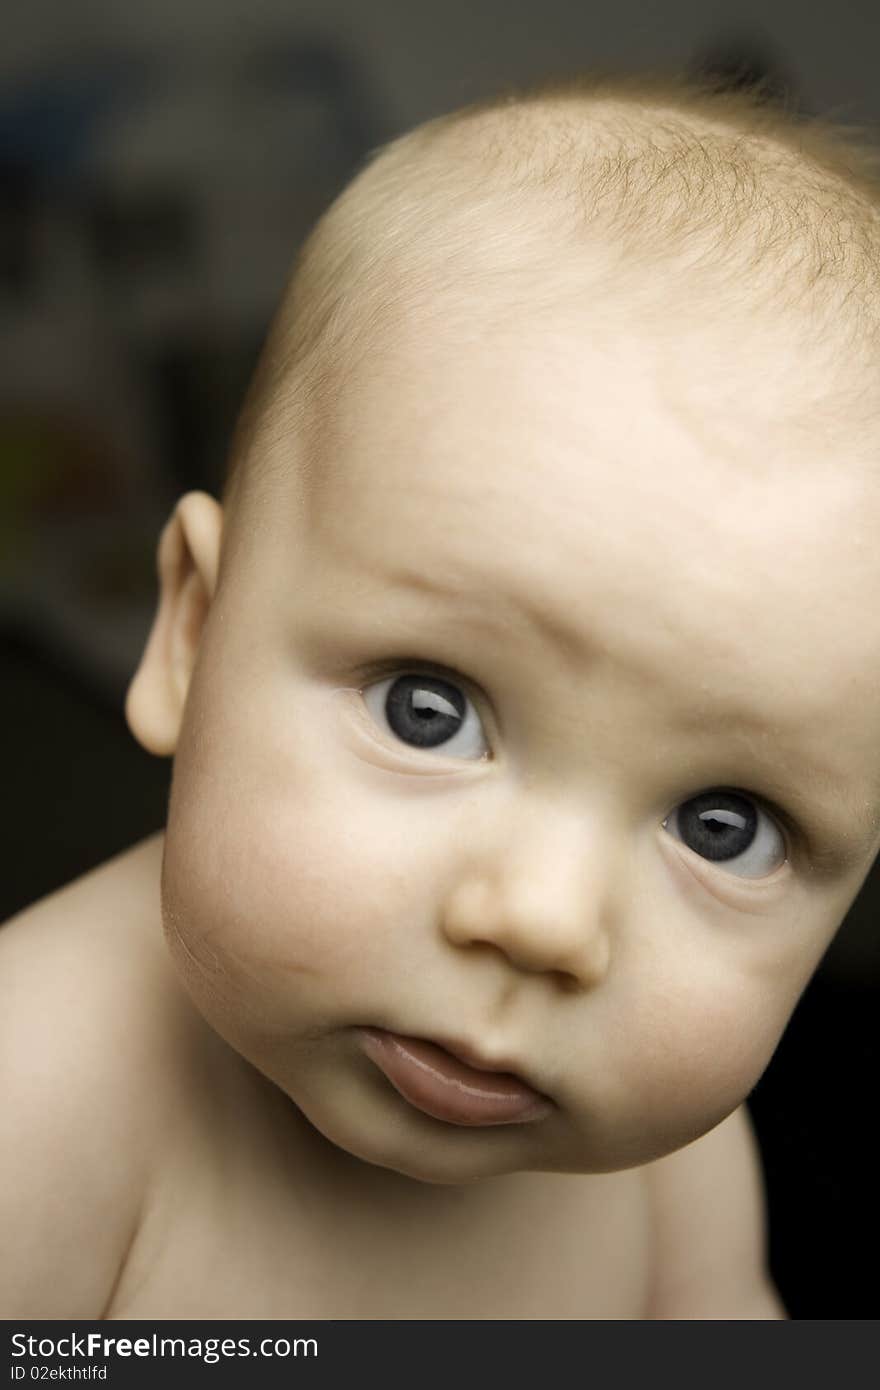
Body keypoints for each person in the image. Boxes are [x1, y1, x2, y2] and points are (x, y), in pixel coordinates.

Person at [3, 68, 879, 1319]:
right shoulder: (36, 1091)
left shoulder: (668, 1166)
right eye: (430, 708)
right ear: (191, 634)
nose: (543, 918)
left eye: (723, 824)